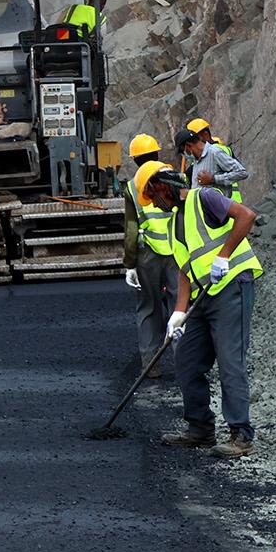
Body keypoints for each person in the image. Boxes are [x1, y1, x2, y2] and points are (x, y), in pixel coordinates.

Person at [137, 159, 263, 459]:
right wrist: (178, 313)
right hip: (202, 297)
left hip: (232, 285)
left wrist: (223, 257)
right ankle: (200, 428)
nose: (154, 202)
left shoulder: (204, 197)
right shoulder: (174, 221)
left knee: (230, 361)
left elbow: (247, 216)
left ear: (164, 185)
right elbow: (184, 269)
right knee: (187, 358)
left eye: (153, 194)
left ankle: (241, 435)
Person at [120, 133, 177, 376]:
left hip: (148, 257)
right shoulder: (175, 177)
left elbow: (131, 229)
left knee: (148, 309)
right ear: (157, 153)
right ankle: (186, 362)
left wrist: (130, 263)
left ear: (134, 160)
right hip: (178, 253)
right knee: (180, 309)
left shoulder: (133, 187)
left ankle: (150, 366)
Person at [176, 126, 248, 204]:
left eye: (182, 151)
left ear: (188, 146)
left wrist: (213, 179)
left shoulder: (214, 152)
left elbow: (242, 172)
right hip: (205, 211)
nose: (184, 155)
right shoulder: (196, 161)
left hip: (219, 209)